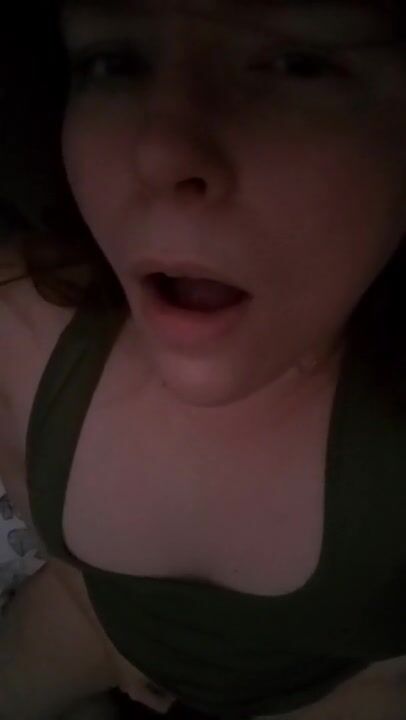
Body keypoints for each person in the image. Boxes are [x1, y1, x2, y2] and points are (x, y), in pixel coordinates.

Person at [1, 0, 406, 718]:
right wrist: (111, 644)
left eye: (298, 64)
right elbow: (52, 538)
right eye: (112, 63)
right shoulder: (19, 321)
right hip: (89, 624)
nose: (159, 151)